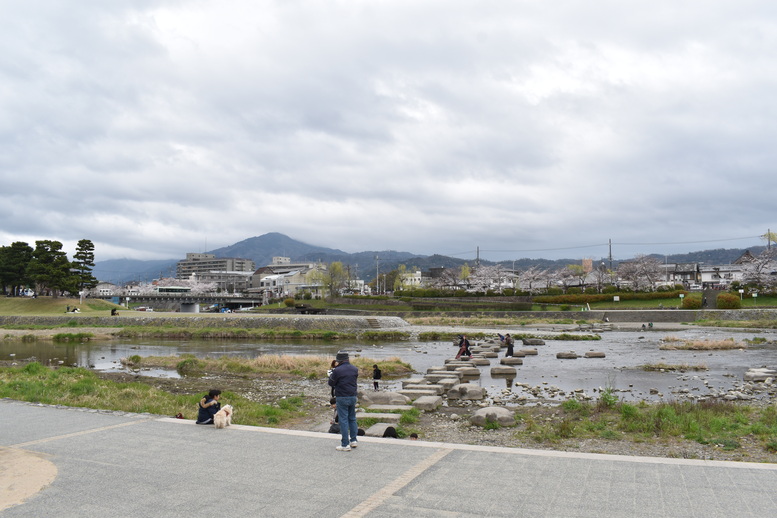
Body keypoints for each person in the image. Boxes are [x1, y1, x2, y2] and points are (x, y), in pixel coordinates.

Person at [328, 351, 359, 451]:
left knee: (343, 420)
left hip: (342, 397)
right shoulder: (354, 369)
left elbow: (331, 383)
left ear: (339, 360)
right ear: (347, 359)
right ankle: (354, 440)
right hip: (353, 396)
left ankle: (345, 444)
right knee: (352, 418)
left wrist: (332, 373)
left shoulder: (337, 370)